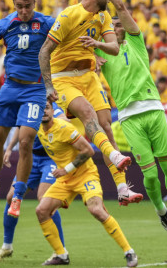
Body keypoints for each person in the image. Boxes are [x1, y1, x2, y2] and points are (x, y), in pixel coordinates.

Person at [95, 0, 167, 236]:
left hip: (154, 109)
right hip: (129, 117)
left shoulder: (136, 43)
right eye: (111, 25)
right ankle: (161, 211)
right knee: (150, 177)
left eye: (118, 24)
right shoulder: (101, 53)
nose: (116, 27)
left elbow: (123, 9)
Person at [38, 0, 139, 205]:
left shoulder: (103, 15)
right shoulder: (69, 14)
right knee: (88, 115)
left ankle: (123, 189)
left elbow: (114, 48)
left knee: (106, 127)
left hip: (88, 76)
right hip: (63, 78)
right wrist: (48, 86)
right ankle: (115, 156)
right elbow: (44, 51)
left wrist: (97, 45)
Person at [0, 0, 55, 219]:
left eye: (27, 6)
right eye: (19, 6)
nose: (23, 11)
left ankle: (18, 195)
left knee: (25, 140)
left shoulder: (47, 23)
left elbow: (69, 38)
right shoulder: (5, 23)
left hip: (35, 90)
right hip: (10, 88)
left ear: (35, 3)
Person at [36, 102, 138, 267]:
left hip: (85, 175)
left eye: (47, 108)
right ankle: (61, 255)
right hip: (65, 180)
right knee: (41, 210)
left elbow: (89, 151)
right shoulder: (38, 130)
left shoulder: (63, 128)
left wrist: (66, 169)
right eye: (40, 109)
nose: (44, 112)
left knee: (96, 210)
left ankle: (129, 251)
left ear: (52, 110)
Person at [0, 102, 66, 262]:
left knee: (44, 199)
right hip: (31, 158)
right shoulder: (28, 104)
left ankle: (61, 249)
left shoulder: (50, 106)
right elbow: (19, 128)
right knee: (11, 198)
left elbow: (64, 119)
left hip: (50, 157)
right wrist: (10, 147)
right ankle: (7, 246)